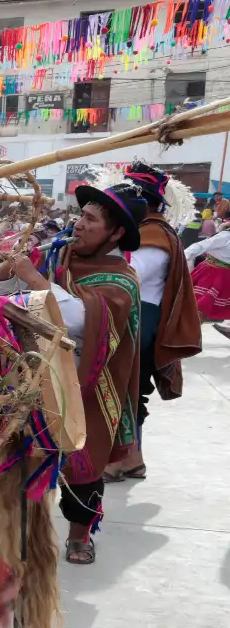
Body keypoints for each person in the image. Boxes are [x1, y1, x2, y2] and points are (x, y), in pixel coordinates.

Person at [0, 183, 142, 565]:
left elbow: (82, 319)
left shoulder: (122, 280)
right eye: (80, 215)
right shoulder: (58, 256)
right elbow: (5, 291)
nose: (78, 224)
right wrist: (10, 268)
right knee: (23, 453)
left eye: (91, 219)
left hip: (89, 383)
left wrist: (37, 281)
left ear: (116, 232)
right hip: (38, 372)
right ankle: (18, 528)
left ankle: (79, 535)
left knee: (83, 461)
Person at [106, 162, 201, 481]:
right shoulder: (150, 231)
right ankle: (133, 459)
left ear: (142, 203)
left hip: (139, 319)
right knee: (130, 389)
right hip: (136, 316)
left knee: (123, 388)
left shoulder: (153, 235)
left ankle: (119, 460)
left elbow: (129, 277)